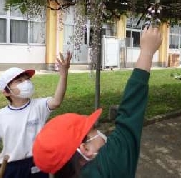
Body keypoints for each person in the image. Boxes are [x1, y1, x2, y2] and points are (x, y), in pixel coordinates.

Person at [32, 26, 162, 178]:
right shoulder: (111, 164)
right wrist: (147, 52)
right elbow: (130, 112)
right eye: (93, 129)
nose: (101, 132)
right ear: (85, 149)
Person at [0, 51, 72, 178]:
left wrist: (63, 75)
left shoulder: (39, 106)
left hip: (37, 163)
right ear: (6, 92)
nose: (26, 82)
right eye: (19, 80)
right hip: (11, 168)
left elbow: (57, 101)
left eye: (27, 79)